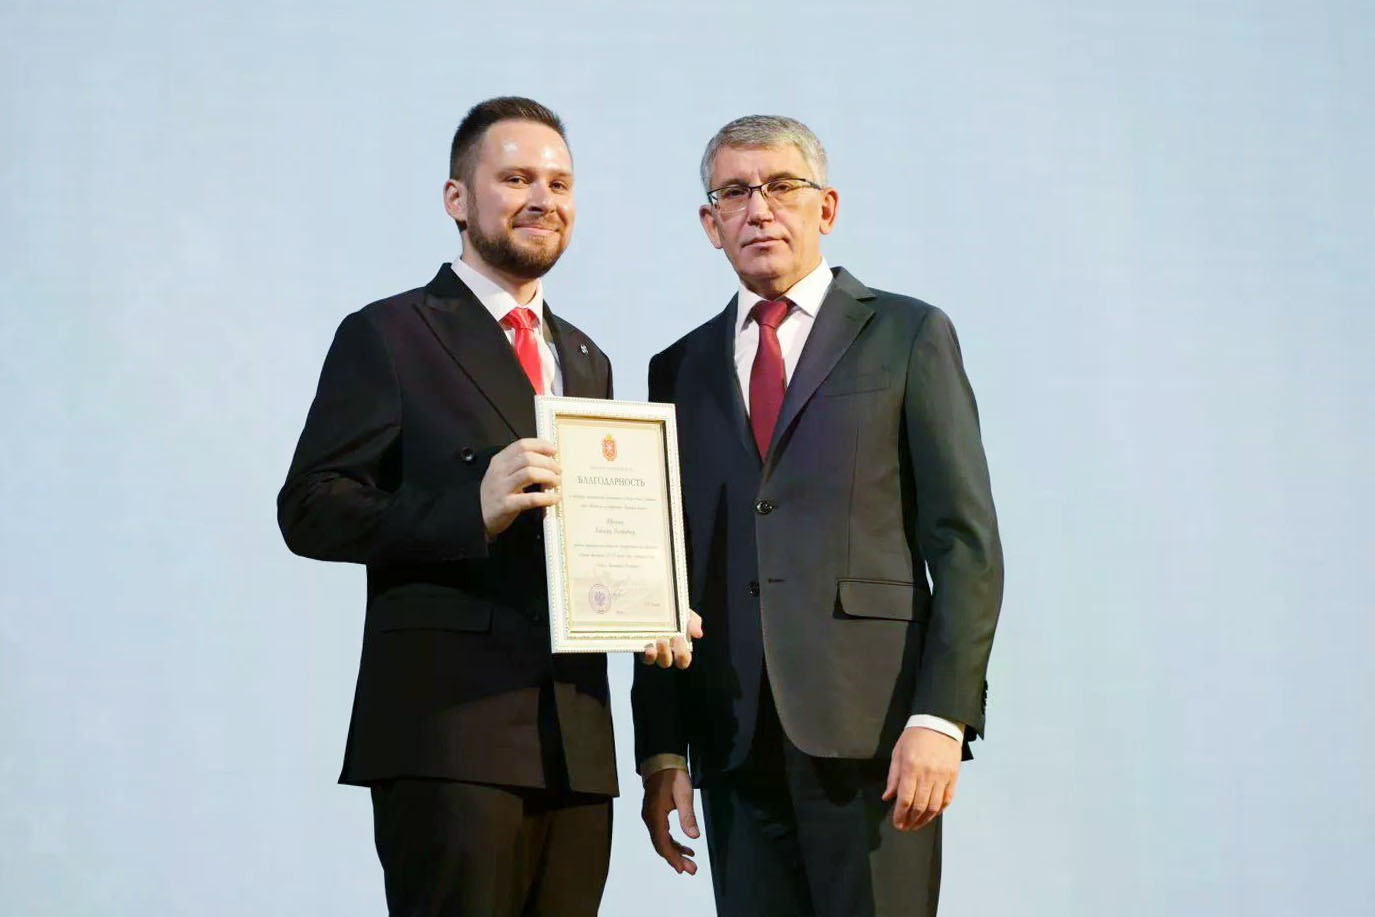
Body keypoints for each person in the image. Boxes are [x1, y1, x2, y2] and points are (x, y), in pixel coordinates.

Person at [278, 95, 695, 917]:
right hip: (449, 733)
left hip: (574, 737)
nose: (543, 198)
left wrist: (652, 597)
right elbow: (311, 508)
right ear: (457, 199)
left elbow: (594, 535)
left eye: (559, 183)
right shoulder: (390, 332)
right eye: (515, 179)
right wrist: (468, 508)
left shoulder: (587, 358)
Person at [631, 114, 1004, 916]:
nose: (758, 208)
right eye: (735, 192)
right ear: (710, 223)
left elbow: (964, 543)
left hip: (875, 734)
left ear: (825, 207)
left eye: (781, 186)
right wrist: (661, 748)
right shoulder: (677, 368)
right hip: (731, 737)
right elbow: (660, 566)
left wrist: (941, 716)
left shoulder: (907, 333)